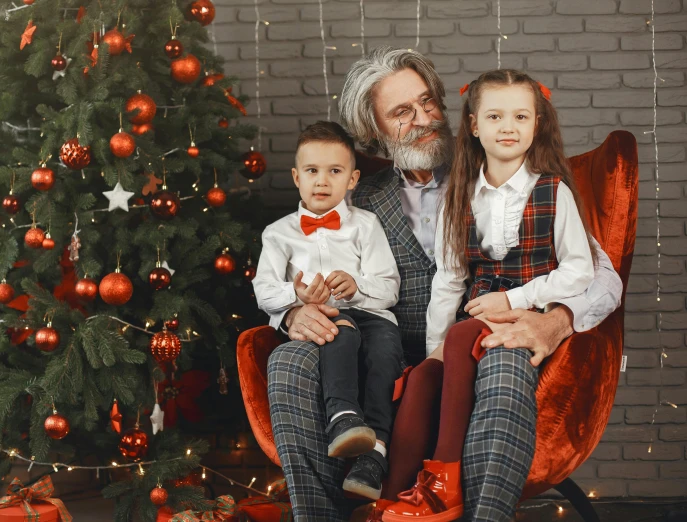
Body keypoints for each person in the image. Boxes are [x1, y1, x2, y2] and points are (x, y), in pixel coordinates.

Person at [267, 47, 623, 522]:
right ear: (374, 131)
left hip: (488, 339)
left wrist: (555, 322)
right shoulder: (354, 198)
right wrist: (292, 311)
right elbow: (297, 269)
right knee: (289, 358)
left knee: (503, 357)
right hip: (383, 353)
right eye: (401, 112)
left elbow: (602, 277)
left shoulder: (501, 170)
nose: (424, 118)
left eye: (428, 101)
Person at [382, 69, 597, 522]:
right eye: (495, 116)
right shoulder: (459, 195)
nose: (508, 127)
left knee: (462, 337)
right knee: (422, 377)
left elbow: (580, 270)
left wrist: (516, 300)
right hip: (474, 320)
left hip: (529, 318)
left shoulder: (552, 191)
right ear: (474, 125)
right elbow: (450, 278)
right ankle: (392, 499)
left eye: (521, 116)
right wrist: (434, 353)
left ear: (537, 124)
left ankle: (445, 483)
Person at [253, 121, 404, 501]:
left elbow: (389, 288)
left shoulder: (366, 226)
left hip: (372, 316)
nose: (322, 181)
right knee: (342, 329)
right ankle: (343, 419)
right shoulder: (278, 233)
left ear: (352, 179)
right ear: (296, 177)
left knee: (385, 353)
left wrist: (357, 287)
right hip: (327, 321)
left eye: (334, 171)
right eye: (312, 171)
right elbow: (263, 291)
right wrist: (296, 293)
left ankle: (375, 456)